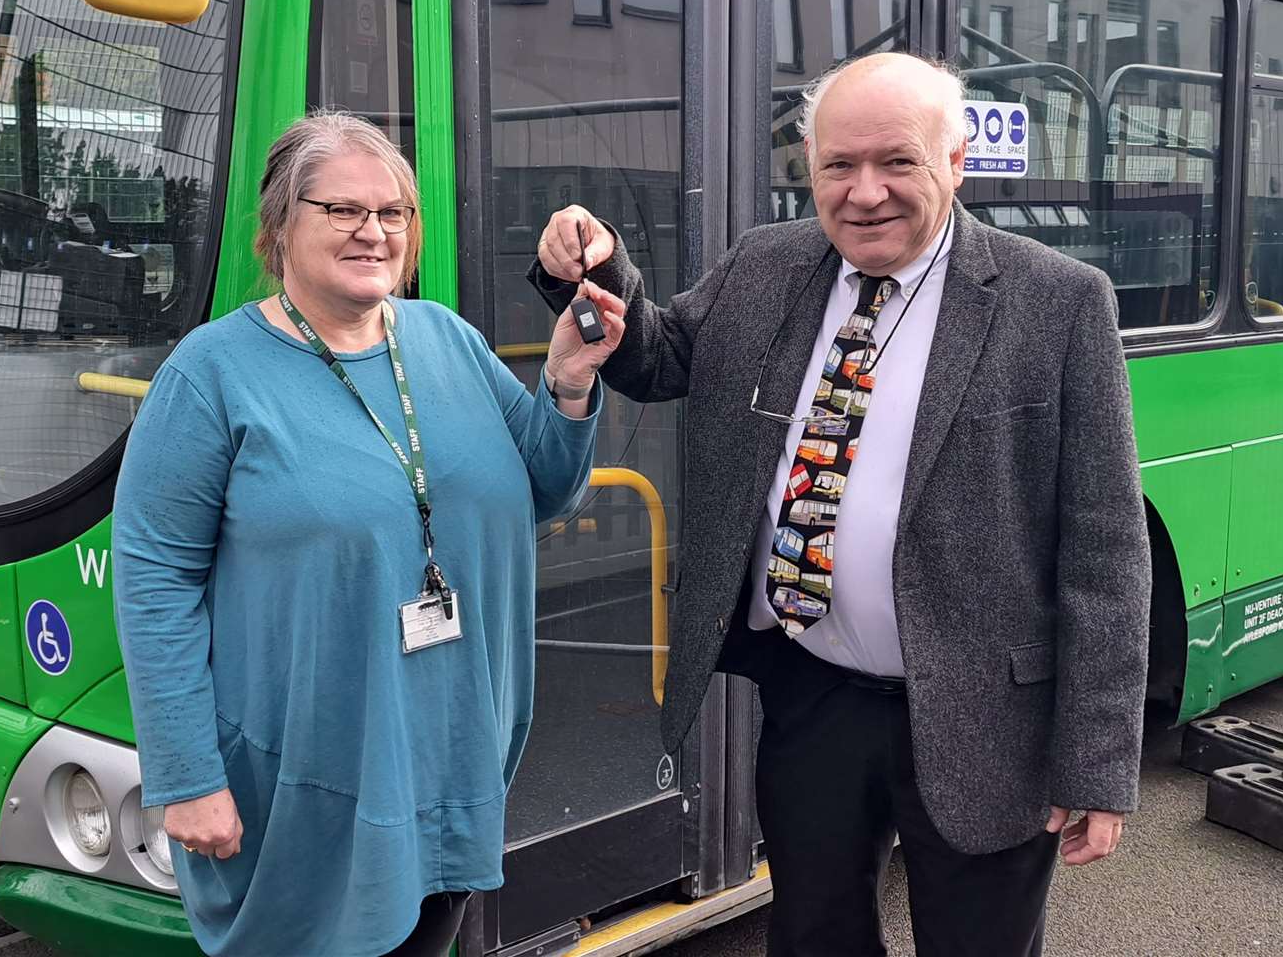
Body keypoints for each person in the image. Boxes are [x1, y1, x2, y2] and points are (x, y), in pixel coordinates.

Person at [528, 53, 1150, 956]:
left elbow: (1105, 550)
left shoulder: (1056, 302)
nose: (864, 194)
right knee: (813, 933)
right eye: (837, 165)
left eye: (897, 162)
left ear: (955, 162)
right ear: (809, 168)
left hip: (985, 714)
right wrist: (595, 268)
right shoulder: (766, 264)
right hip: (813, 693)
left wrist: (1095, 760)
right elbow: (660, 356)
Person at [112, 111, 625, 957]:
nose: (373, 232)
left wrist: (566, 383)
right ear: (280, 224)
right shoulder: (208, 376)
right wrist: (186, 776)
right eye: (342, 210)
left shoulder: (444, 338)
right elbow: (152, 581)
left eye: (393, 213)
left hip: (453, 747)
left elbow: (544, 488)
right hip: (309, 770)